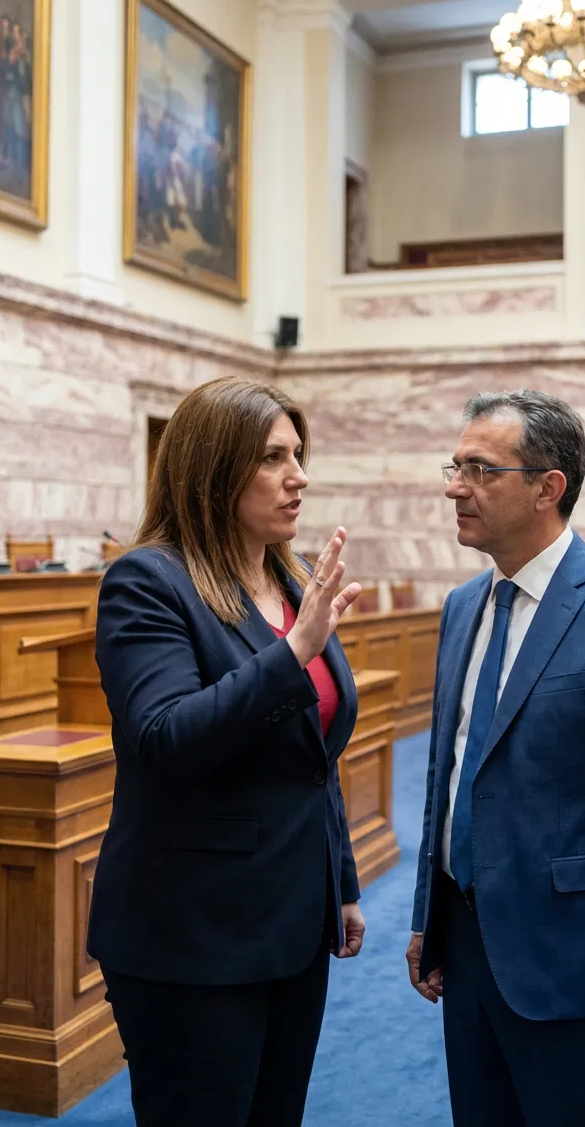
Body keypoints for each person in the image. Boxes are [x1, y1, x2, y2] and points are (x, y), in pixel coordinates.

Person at [407, 389, 585, 1127]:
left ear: (548, 487)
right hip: (468, 947)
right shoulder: (462, 607)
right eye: (455, 466)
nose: (455, 487)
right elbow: (450, 775)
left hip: (575, 965)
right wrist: (428, 916)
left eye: (480, 470)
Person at [88, 376, 366, 1127]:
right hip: (193, 930)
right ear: (213, 468)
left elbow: (313, 759)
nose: (298, 476)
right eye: (274, 457)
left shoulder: (290, 580)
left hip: (293, 919)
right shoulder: (148, 582)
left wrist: (340, 881)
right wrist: (295, 651)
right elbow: (165, 738)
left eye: (298, 455)